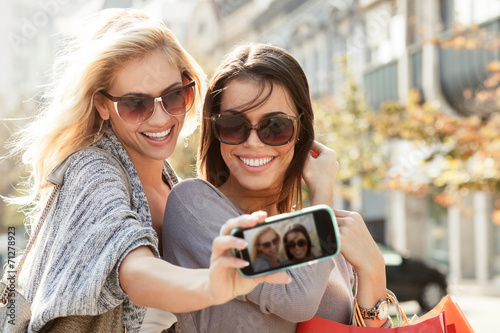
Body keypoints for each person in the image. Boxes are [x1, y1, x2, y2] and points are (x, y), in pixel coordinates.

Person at [5, 10, 289, 333]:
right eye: (135, 104)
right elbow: (134, 270)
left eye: (173, 96)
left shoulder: (174, 186)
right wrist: (210, 285)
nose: (159, 119)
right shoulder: (93, 170)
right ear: (102, 105)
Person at [162, 43, 390, 332]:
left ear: (300, 133)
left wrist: (373, 271)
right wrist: (322, 199)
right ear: (216, 131)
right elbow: (298, 300)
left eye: (275, 126)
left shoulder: (324, 236)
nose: (253, 142)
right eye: (234, 124)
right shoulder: (195, 208)